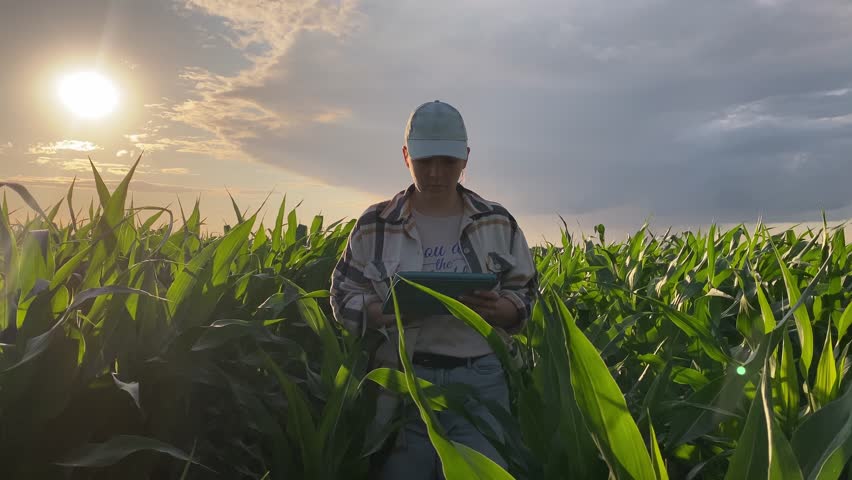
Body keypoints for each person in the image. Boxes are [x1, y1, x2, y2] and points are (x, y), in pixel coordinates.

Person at [329, 100, 537, 479]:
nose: (437, 172)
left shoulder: (498, 222)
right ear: (407, 156)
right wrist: (386, 312)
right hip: (403, 383)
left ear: (466, 158)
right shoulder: (375, 224)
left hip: (481, 381)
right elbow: (343, 296)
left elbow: (524, 293)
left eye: (448, 161)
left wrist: (500, 311)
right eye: (425, 161)